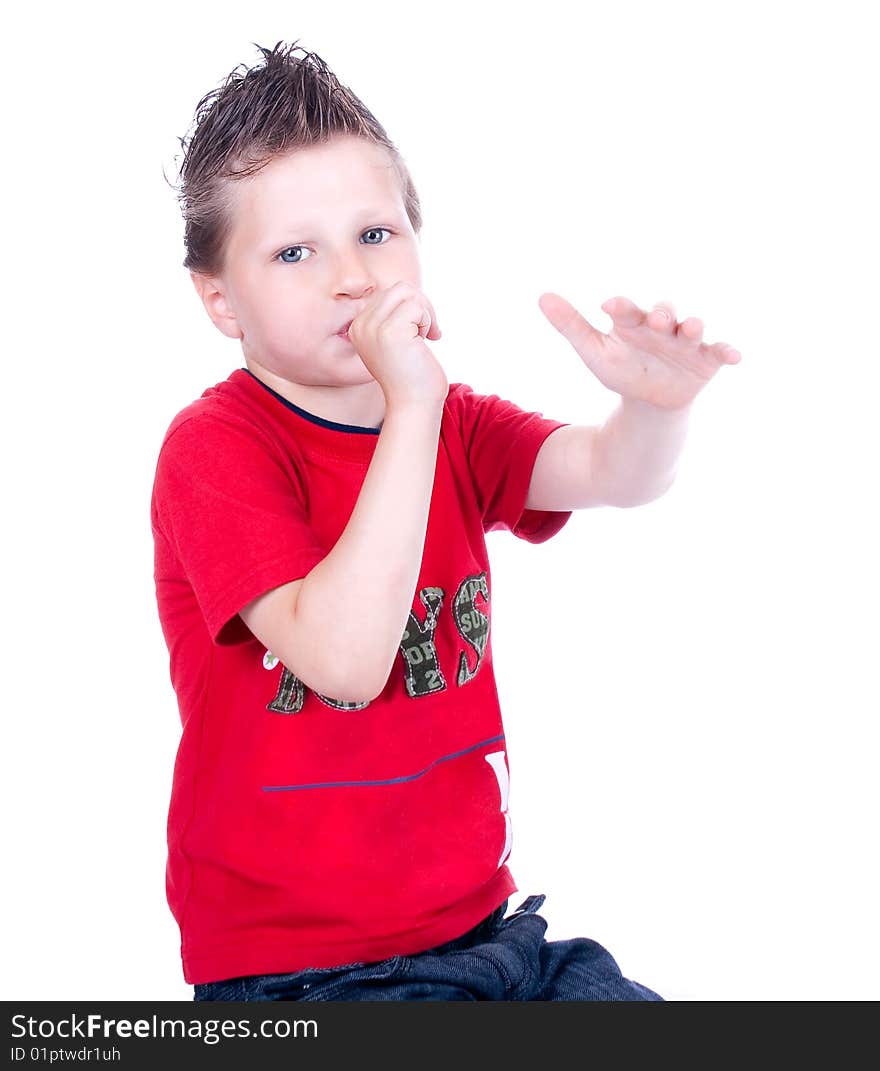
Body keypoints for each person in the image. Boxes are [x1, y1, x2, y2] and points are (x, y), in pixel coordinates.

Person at [151, 40, 740, 1003]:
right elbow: (342, 661)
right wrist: (411, 404)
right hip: (304, 971)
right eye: (295, 252)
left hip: (487, 932)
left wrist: (656, 409)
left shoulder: (454, 420)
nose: (351, 276)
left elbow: (608, 472)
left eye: (375, 234)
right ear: (220, 299)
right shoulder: (217, 449)